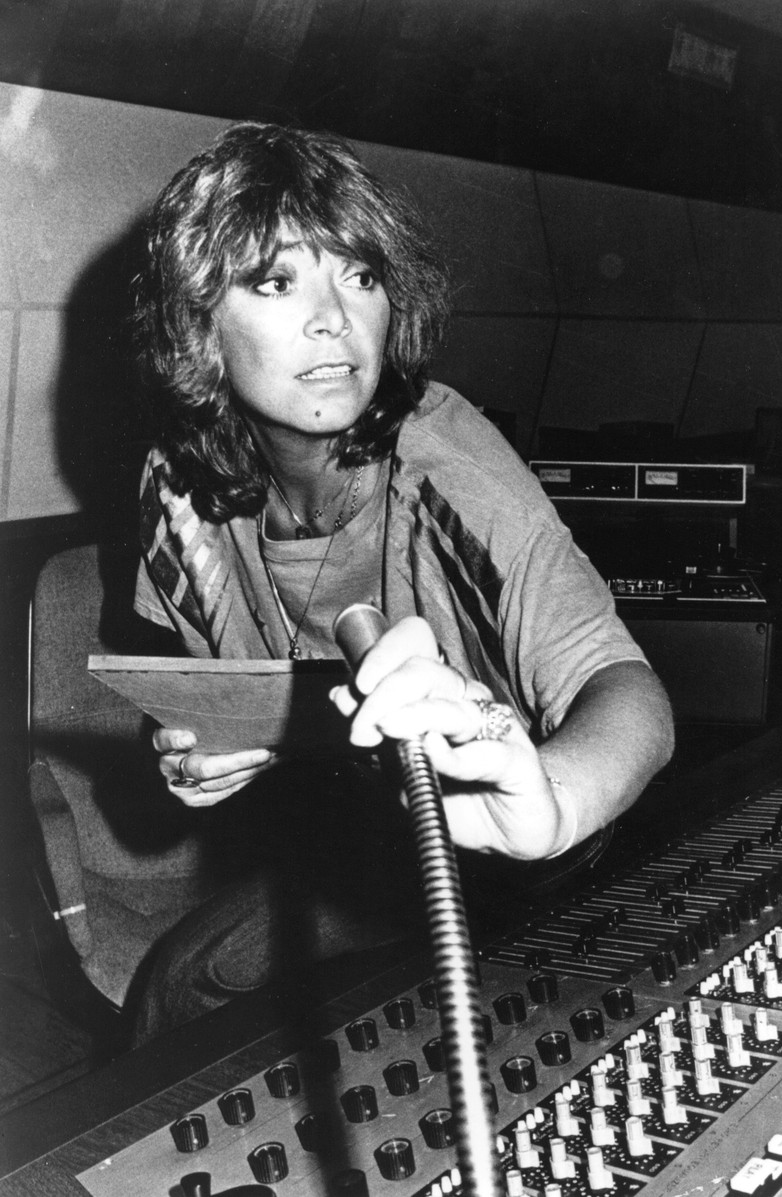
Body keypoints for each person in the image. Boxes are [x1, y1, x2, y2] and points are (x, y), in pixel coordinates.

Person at [129, 121, 674, 1040]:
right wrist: (200, 748)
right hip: (368, 845)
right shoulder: (176, 492)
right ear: (198, 324)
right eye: (275, 282)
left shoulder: (447, 460)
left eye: (360, 276)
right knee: (177, 994)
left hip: (543, 865)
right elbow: (227, 698)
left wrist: (548, 807)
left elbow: (631, 695)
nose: (333, 319)